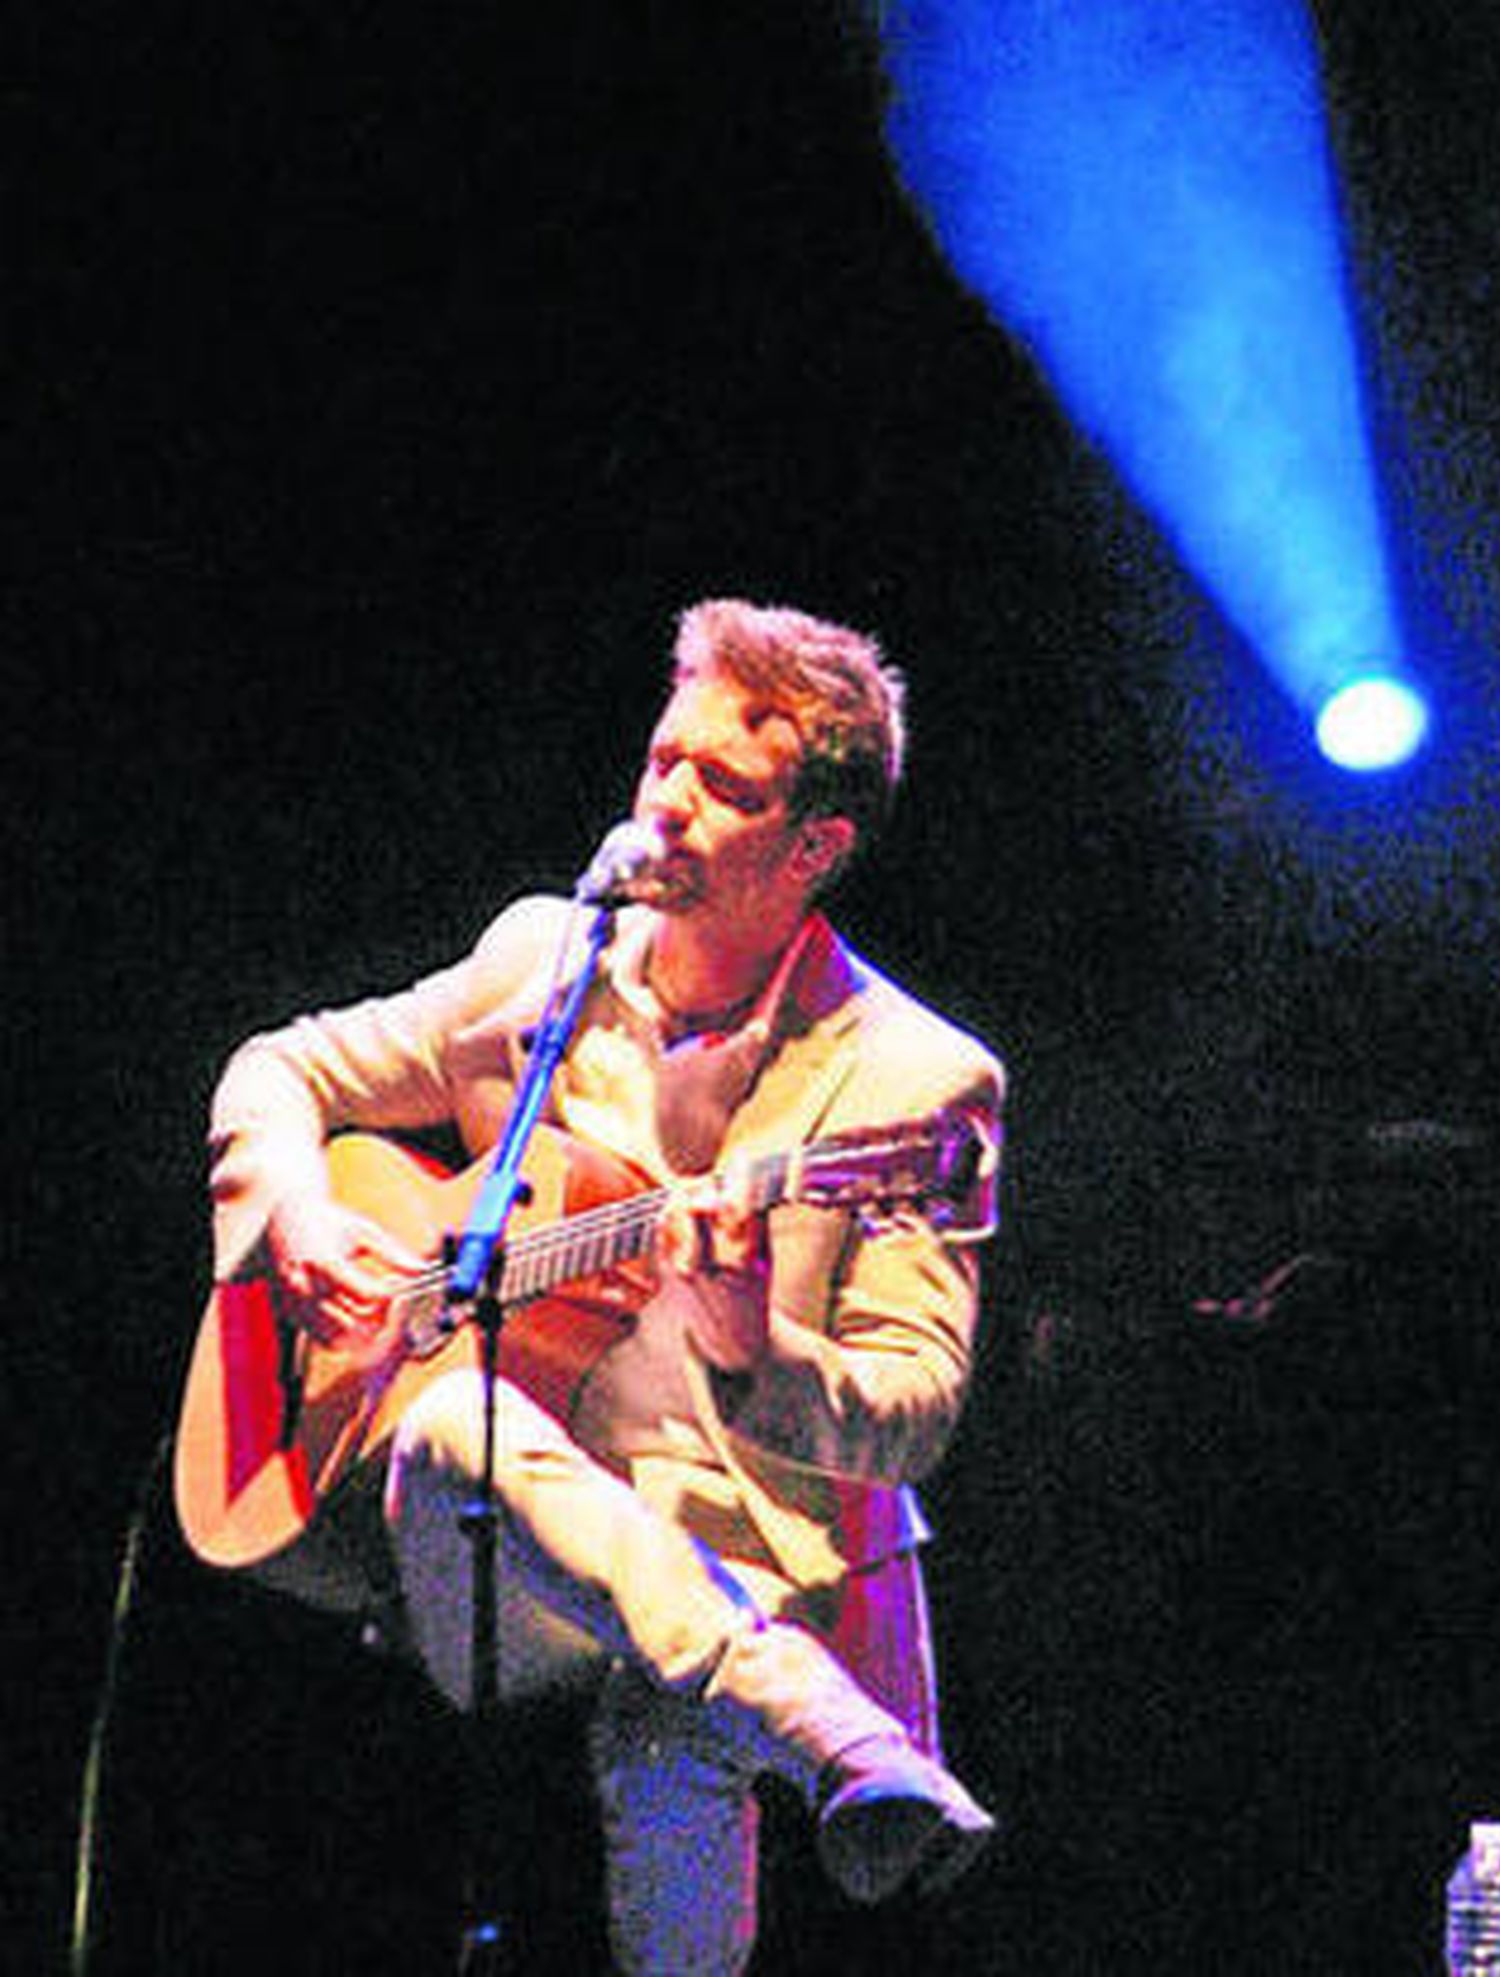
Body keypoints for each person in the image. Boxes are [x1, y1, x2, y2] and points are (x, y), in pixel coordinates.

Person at [201, 598, 1005, 1972]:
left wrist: (759, 1350)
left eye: (727, 787)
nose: (672, 806)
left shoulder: (919, 1083)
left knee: (672, 1711)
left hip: (750, 1555)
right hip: (498, 1548)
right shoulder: (544, 962)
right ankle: (826, 1729)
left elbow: (916, 1410)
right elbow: (283, 1067)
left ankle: (782, 1702)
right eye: (662, 762)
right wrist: (301, 1217)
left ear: (817, 847)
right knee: (454, 1428)